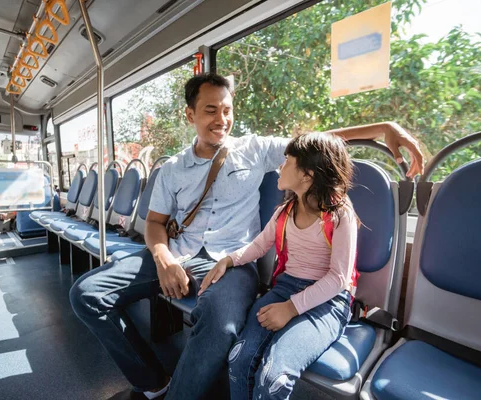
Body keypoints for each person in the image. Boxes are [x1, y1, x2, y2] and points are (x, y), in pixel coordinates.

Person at [69, 73, 424, 400]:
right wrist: (164, 261)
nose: (221, 119)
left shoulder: (254, 149)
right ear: (189, 114)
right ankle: (152, 380)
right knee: (86, 294)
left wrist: (382, 128)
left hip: (234, 261)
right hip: (178, 253)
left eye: (227, 110)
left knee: (222, 326)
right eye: (210, 110)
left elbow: (314, 147)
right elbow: (155, 224)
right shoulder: (173, 169)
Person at [199, 132, 357, 399]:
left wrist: (292, 308)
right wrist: (229, 259)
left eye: (286, 161)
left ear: (307, 175)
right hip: (285, 289)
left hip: (328, 302)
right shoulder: (283, 212)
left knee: (274, 376)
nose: (280, 167)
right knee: (238, 359)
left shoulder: (340, 215)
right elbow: (259, 246)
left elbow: (338, 278)